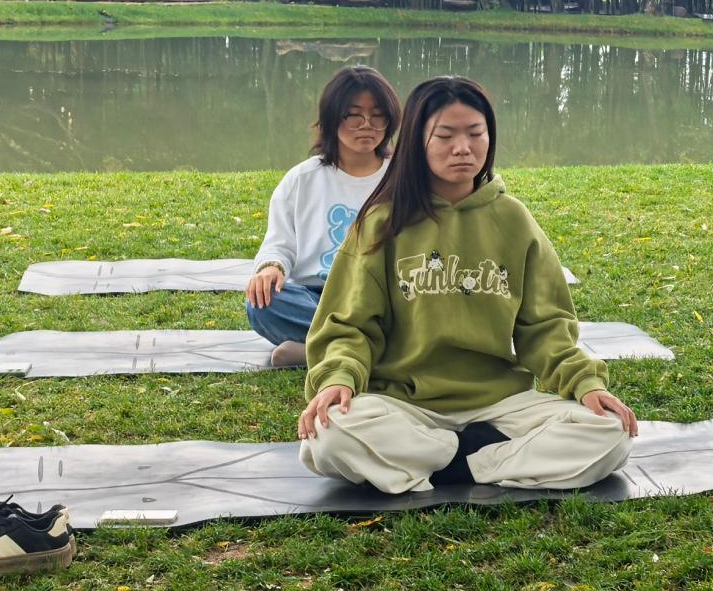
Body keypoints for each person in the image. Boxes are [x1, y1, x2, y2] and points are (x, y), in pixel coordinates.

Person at [298, 76, 639, 493]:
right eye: (445, 135)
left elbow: (547, 329)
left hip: (499, 405)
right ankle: (474, 457)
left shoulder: (514, 220)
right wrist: (338, 379)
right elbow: (349, 326)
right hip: (405, 404)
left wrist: (584, 383)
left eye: (475, 134)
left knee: (610, 434)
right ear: (416, 143)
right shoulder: (382, 223)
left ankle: (443, 463)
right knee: (330, 434)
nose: (463, 147)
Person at [244, 65, 400, 368]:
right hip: (315, 297)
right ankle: (373, 347)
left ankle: (317, 349)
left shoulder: (402, 178)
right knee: (263, 303)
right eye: (354, 115)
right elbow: (279, 243)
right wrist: (270, 267)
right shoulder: (302, 179)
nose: (367, 124)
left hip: (379, 296)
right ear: (332, 118)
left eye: (377, 115)